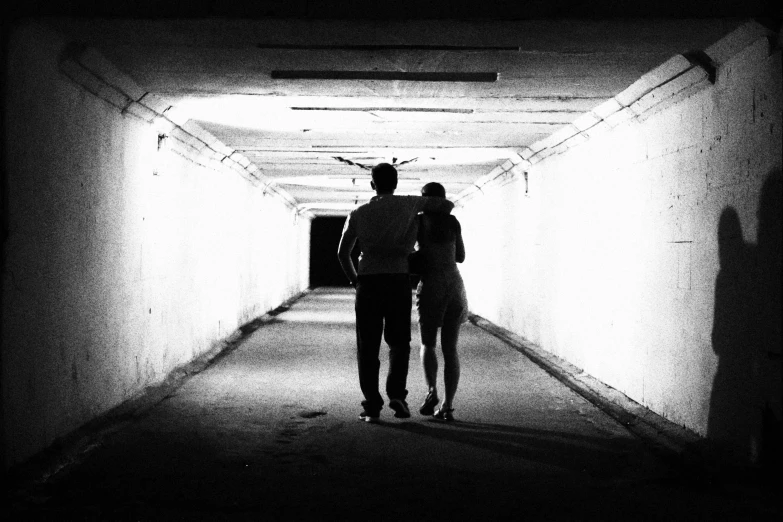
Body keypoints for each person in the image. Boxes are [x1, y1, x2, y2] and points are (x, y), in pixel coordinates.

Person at [338, 164, 454, 423]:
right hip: (398, 280)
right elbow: (446, 206)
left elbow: (342, 253)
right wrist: (421, 205)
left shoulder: (358, 212)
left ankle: (372, 405)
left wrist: (355, 281)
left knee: (367, 346)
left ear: (372, 184)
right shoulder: (409, 204)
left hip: (368, 281)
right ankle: (397, 395)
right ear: (396, 182)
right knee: (399, 342)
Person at [414, 182, 468, 422]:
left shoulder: (417, 221)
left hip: (431, 284)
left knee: (427, 344)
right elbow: (461, 257)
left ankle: (432, 391)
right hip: (454, 285)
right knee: (450, 348)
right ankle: (447, 406)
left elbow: (407, 252)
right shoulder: (453, 221)